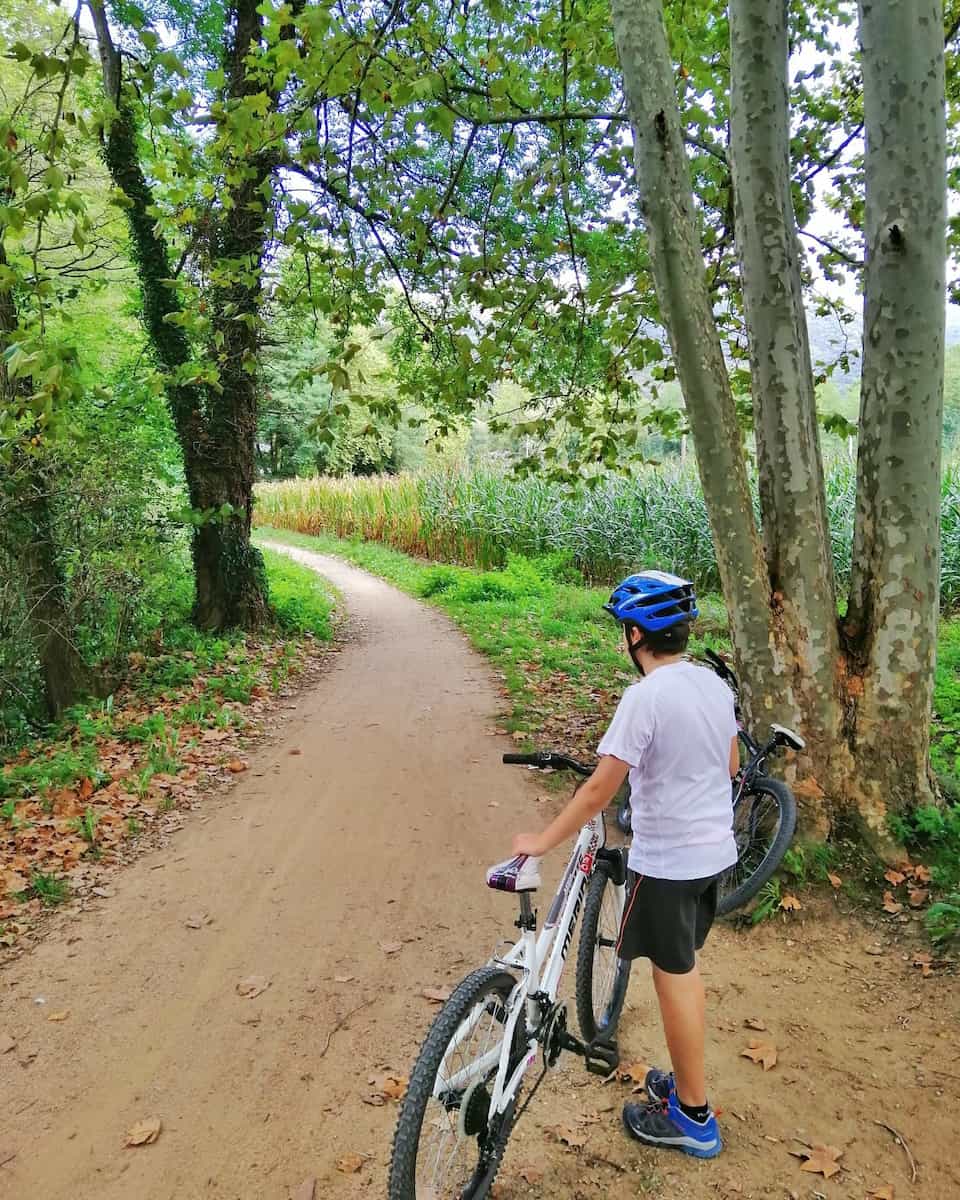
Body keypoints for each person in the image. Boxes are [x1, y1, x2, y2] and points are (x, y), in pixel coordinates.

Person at [511, 570, 738, 1159]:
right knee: (682, 967)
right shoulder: (714, 685)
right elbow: (731, 765)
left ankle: (693, 1116)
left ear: (635, 635)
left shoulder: (646, 696)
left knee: (673, 975)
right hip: (713, 853)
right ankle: (686, 1085)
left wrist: (542, 840)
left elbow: (598, 792)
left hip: (669, 860)